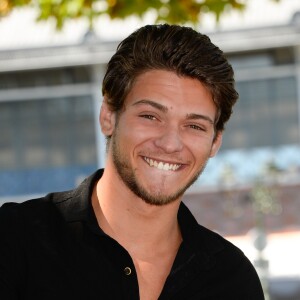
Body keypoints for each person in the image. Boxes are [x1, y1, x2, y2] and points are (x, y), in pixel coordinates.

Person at [0, 24, 264, 300]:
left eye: (194, 126)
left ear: (215, 142)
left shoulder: (231, 278)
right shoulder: (16, 240)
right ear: (108, 116)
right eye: (150, 116)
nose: (170, 143)